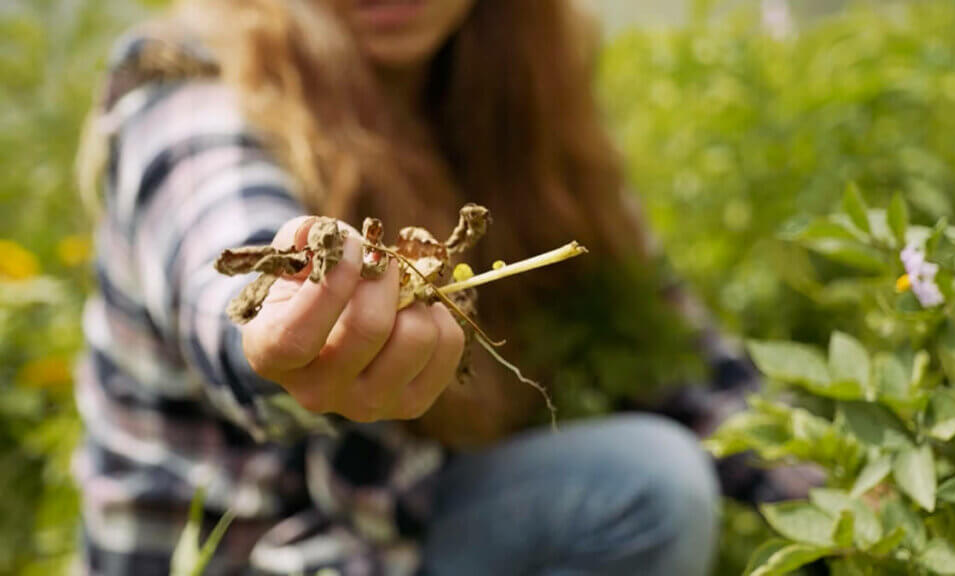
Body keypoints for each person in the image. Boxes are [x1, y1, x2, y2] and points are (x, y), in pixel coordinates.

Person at [74, 1, 722, 574]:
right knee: (651, 482)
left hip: (398, 525)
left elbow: (689, 361)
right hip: (246, 553)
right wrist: (282, 337)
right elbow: (216, 239)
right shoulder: (186, 84)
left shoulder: (523, 95)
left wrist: (811, 484)